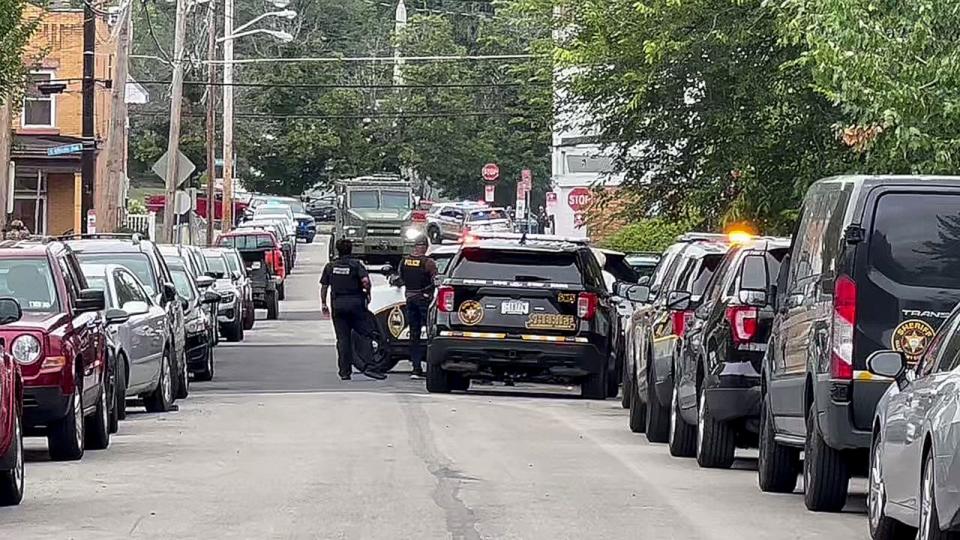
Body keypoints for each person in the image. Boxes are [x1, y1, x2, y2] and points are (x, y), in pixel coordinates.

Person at [320, 239, 387, 381]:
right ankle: (370, 367)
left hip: (338, 305)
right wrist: (368, 294)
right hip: (356, 304)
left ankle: (344, 372)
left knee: (342, 339)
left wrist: (324, 304)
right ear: (351, 250)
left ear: (337, 250)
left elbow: (324, 286)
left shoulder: (330, 266)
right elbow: (365, 282)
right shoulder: (356, 265)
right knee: (365, 335)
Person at [395, 236, 438, 379]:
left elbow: (400, 279)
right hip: (424, 300)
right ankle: (433, 368)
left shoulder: (405, 261)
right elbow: (436, 281)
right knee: (432, 333)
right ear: (425, 246)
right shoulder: (428, 262)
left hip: (410, 299)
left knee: (414, 334)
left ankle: (416, 368)